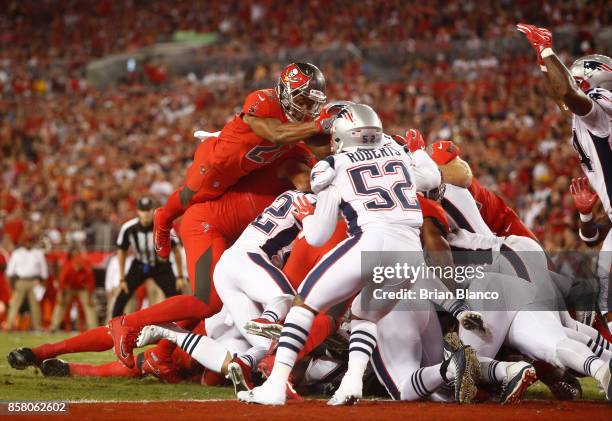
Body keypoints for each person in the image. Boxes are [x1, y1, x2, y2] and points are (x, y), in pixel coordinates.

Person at [238, 103, 438, 406]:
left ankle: (276, 384)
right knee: (366, 313)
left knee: (304, 304)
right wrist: (419, 151)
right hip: (410, 252)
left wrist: (306, 215)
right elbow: (432, 178)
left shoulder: (332, 166)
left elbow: (318, 235)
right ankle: (352, 382)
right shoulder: (401, 155)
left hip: (371, 240)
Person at [517, 23, 612, 320]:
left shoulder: (599, 103)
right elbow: (592, 238)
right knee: (603, 289)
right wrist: (585, 215)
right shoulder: (585, 117)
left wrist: (545, 49)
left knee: (604, 296)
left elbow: (569, 95)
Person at [112, 196, 185, 317]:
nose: (145, 214)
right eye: (142, 210)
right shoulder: (129, 228)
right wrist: (122, 279)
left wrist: (180, 276)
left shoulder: (163, 226)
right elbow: (121, 251)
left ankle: (184, 324)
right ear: (137, 211)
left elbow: (176, 250)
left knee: (177, 297)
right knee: (122, 296)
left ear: (153, 211)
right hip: (140, 265)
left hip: (161, 266)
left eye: (148, 210)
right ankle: (113, 326)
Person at [5, 231, 47, 331]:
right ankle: (9, 325)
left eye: (30, 241)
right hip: (21, 281)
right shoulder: (17, 253)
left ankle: (37, 326)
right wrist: (12, 285)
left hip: (34, 281)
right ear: (23, 242)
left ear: (33, 242)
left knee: (35, 305)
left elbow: (44, 271)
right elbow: (10, 271)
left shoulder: (38, 253)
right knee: (15, 304)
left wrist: (42, 283)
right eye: (27, 241)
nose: (28, 243)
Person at [49, 249, 98, 331]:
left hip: (82, 289)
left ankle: (94, 328)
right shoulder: (68, 268)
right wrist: (60, 296)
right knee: (60, 305)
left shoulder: (87, 269)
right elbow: (62, 283)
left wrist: (89, 298)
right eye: (77, 265)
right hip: (69, 288)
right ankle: (53, 326)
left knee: (89, 306)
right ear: (73, 263)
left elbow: (90, 285)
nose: (78, 267)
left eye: (80, 265)